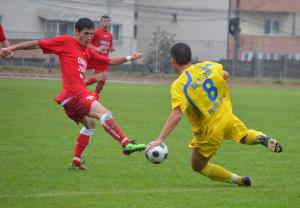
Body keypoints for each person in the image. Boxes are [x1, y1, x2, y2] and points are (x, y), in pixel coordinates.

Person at [0, 18, 146, 170]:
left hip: (70, 99)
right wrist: (11, 48)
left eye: (91, 34)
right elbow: (38, 43)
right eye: (85, 34)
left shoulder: (87, 51)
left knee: (90, 124)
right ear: (76, 32)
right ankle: (126, 143)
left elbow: (109, 60)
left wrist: (130, 57)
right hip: (75, 94)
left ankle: (76, 161)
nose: (89, 37)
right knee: (105, 114)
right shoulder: (66, 41)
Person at [146, 43, 283, 186]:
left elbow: (177, 114)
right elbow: (226, 75)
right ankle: (261, 137)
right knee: (243, 136)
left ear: (173, 61)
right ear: (190, 57)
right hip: (226, 115)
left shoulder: (179, 85)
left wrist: (159, 139)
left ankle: (239, 180)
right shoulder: (208, 65)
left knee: (197, 165)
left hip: (210, 129)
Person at [85, 15, 116, 96]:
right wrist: (96, 49)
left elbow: (109, 47)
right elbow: (88, 43)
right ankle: (82, 85)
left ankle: (95, 95)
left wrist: (111, 49)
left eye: (107, 21)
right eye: (104, 21)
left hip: (105, 59)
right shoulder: (96, 32)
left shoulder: (110, 35)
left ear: (109, 22)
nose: (106, 22)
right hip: (96, 58)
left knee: (103, 79)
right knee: (100, 77)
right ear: (101, 22)